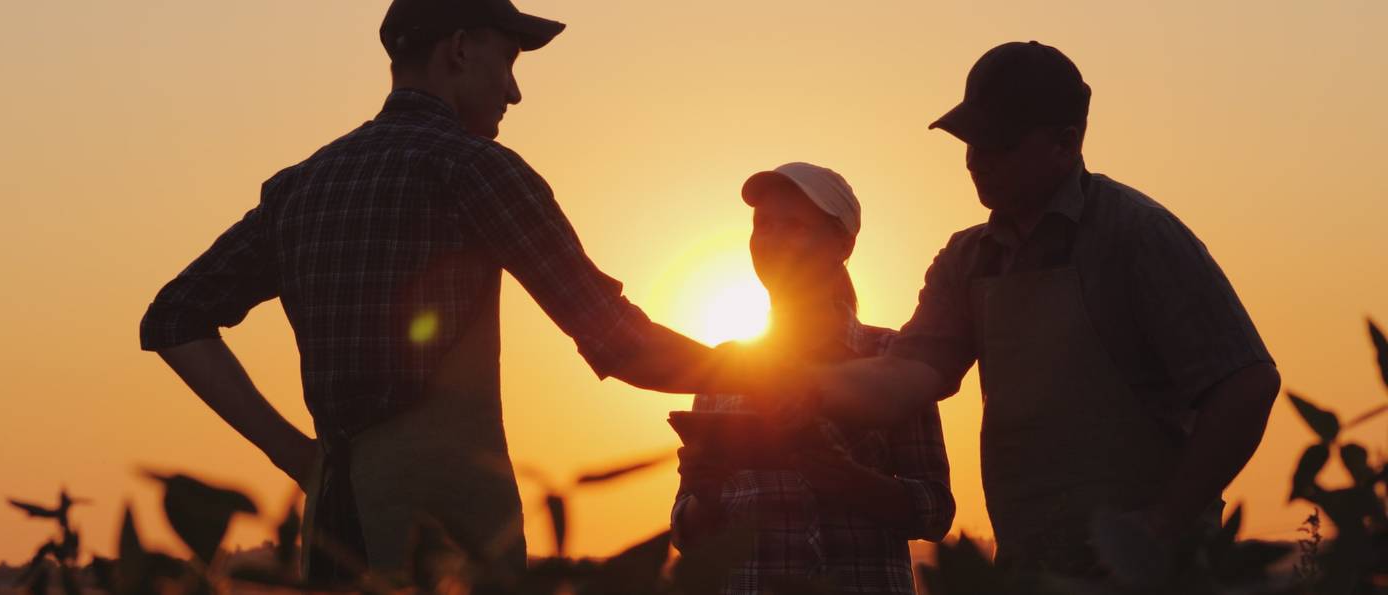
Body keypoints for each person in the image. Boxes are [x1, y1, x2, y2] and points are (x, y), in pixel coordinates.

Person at [137, 0, 783, 584]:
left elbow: (173, 318)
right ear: (460, 49)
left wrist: (299, 457)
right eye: (507, 61)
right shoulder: (475, 169)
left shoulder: (300, 187)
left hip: (333, 538)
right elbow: (619, 340)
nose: (515, 91)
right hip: (448, 543)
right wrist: (772, 376)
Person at [800, 42, 1281, 576]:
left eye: (998, 143)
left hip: (1155, 573)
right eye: (969, 141)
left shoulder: (1138, 235)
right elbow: (904, 378)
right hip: (1031, 570)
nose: (977, 160)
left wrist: (1164, 524)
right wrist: (780, 381)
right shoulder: (968, 259)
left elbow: (1247, 384)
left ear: (1066, 143)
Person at [671, 163, 954, 594]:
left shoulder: (892, 358)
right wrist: (706, 494)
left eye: (795, 225)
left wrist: (846, 478)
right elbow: (687, 532)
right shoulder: (722, 368)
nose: (773, 239)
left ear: (842, 242)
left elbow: (935, 511)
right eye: (763, 224)